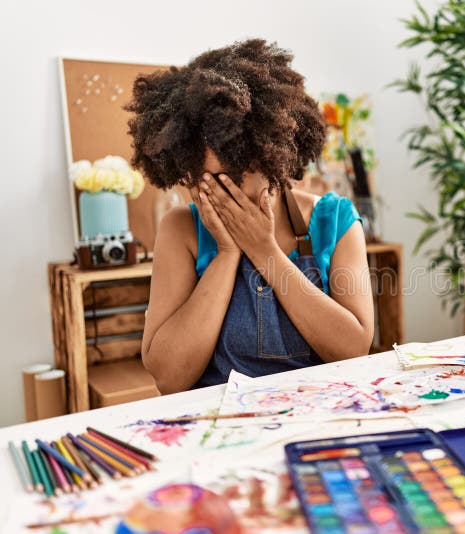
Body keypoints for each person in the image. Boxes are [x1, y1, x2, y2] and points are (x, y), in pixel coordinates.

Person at [127, 39, 374, 394]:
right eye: (204, 178)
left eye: (231, 175)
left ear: (272, 158)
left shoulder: (334, 219)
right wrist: (227, 255)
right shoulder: (181, 229)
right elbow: (168, 376)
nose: (218, 190)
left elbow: (353, 350)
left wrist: (265, 252)